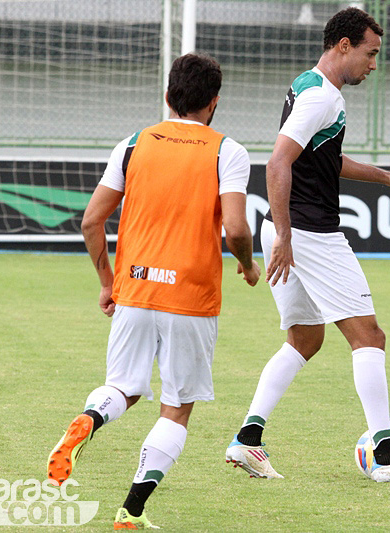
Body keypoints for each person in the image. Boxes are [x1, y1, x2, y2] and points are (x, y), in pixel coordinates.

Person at [224, 7, 390, 483]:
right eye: (370, 53)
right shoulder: (322, 97)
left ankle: (247, 440)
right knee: (369, 336)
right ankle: (387, 460)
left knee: (306, 337)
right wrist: (285, 236)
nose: (374, 64)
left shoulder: (308, 85)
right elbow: (277, 163)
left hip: (289, 229)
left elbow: (324, 157)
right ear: (344, 46)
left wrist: (384, 177)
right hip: (308, 234)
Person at [46, 53, 260, 528]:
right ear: (215, 102)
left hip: (135, 290)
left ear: (168, 96)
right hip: (192, 297)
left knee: (123, 386)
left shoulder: (132, 144)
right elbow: (237, 228)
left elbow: (90, 220)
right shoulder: (228, 151)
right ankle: (131, 510)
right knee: (176, 406)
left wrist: (109, 282)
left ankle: (90, 419)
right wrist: (247, 265)